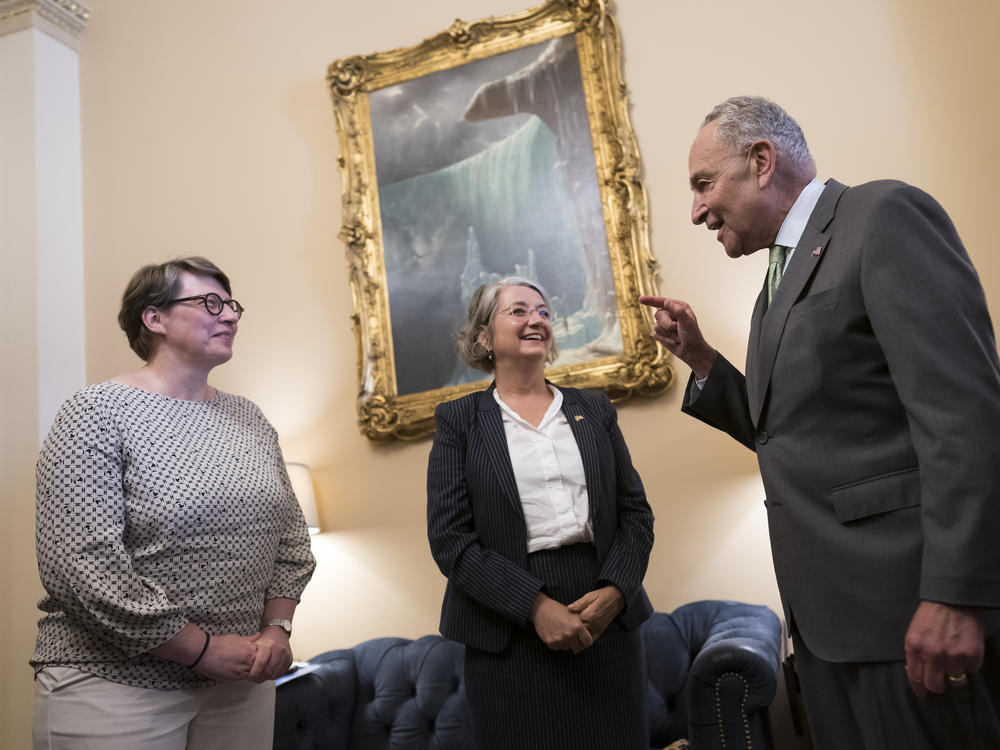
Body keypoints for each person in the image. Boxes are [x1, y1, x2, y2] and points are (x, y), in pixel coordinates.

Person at [640, 95, 1000, 749]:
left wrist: (955, 595)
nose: (695, 210)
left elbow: (964, 417)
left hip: (910, 614)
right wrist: (700, 360)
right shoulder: (773, 283)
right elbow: (786, 433)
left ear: (760, 160)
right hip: (826, 627)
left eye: (702, 184)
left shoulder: (882, 217)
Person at [31, 256, 317, 749]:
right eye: (210, 303)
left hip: (238, 684)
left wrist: (276, 629)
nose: (229, 315)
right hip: (114, 684)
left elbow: (291, 543)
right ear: (154, 318)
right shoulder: (96, 411)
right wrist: (200, 649)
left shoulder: (249, 418)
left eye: (232, 305)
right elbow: (82, 566)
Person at [427, 276, 654, 749]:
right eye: (518, 311)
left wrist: (616, 590)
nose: (536, 320)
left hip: (605, 618)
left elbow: (635, 513)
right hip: (507, 629)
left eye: (544, 312)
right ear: (484, 337)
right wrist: (535, 607)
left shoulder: (594, 409)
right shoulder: (459, 421)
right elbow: (451, 541)